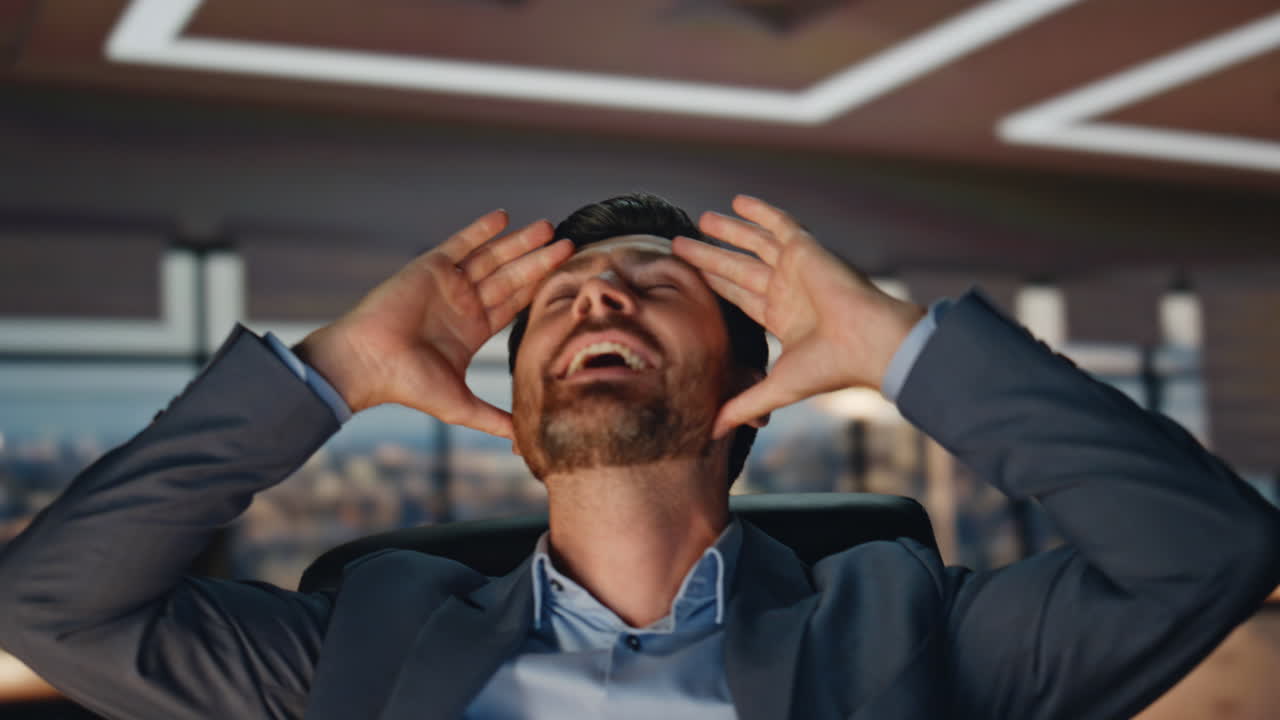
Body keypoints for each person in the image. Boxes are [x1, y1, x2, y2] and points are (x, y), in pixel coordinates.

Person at [0, 193, 1276, 720]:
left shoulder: (907, 625)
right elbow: (50, 603)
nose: (593, 305)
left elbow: (1208, 553)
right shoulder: (363, 636)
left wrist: (902, 351)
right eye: (557, 302)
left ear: (748, 382)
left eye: (645, 287)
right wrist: (325, 372)